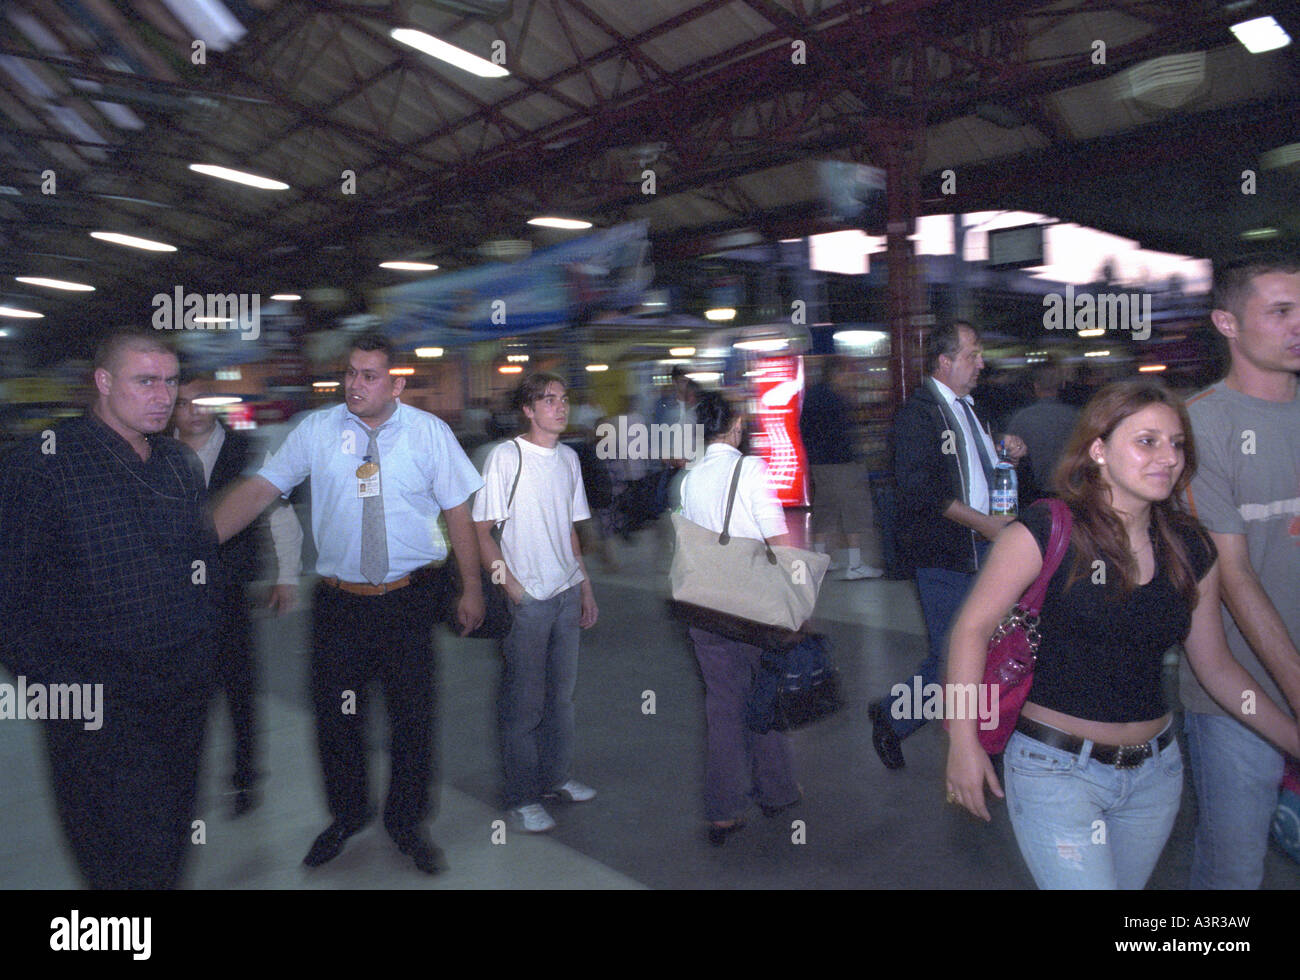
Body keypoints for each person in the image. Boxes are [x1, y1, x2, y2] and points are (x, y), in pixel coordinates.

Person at [944, 379, 1300, 889]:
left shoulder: (1189, 547)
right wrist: (962, 742)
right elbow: (971, 631)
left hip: (1156, 776)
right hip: (1055, 769)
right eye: (1147, 441)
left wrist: (1291, 735)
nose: (1168, 458)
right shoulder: (1046, 530)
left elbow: (1216, 667)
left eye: (1177, 444)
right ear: (1098, 449)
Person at [212, 333, 485, 874]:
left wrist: (472, 586)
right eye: (351, 373)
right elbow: (261, 488)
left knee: (413, 720)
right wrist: (191, 543)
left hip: (410, 600)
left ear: (396, 384)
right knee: (337, 721)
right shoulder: (316, 431)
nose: (354, 384)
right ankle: (346, 815)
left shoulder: (429, 434)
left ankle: (407, 824)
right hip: (340, 607)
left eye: (368, 375)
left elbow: (459, 511)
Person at [0, 331, 217, 888]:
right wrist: (57, 685)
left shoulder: (178, 463)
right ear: (102, 382)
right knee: (114, 848)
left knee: (171, 835)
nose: (162, 395)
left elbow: (199, 567)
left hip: (179, 688)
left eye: (169, 382)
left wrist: (202, 654)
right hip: (94, 695)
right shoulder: (41, 463)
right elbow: (9, 597)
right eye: (145, 381)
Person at [1180, 253, 1300, 888]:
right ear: (1226, 322)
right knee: (1234, 872)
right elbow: (1234, 576)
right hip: (1238, 696)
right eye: (1280, 312)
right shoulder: (1200, 427)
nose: (1298, 325)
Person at [869, 321, 1026, 769]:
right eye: (972, 355)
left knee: (979, 652)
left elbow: (970, 465)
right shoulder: (918, 414)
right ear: (945, 361)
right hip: (945, 556)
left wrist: (1004, 450)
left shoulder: (969, 407)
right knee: (952, 659)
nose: (981, 363)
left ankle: (979, 742)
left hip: (982, 554)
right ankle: (897, 719)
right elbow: (922, 492)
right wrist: (985, 525)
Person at [473, 373, 599, 833]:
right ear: (528, 409)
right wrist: (513, 590)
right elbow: (482, 529)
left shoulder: (568, 458)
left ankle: (557, 777)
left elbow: (569, 530)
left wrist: (584, 586)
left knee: (560, 698)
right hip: (529, 600)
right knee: (524, 704)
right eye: (549, 400)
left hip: (565, 593)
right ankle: (522, 796)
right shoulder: (505, 458)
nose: (560, 407)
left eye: (564, 399)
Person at [173, 374, 303, 816]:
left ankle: (245, 779)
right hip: (173, 597)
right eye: (185, 402)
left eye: (202, 401)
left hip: (227, 593)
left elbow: (280, 513)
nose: (194, 410)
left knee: (240, 692)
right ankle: (181, 783)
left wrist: (286, 574)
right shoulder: (157, 453)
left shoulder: (243, 451)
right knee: (185, 696)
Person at [678, 390, 801, 845]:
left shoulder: (690, 478)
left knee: (723, 707)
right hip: (752, 607)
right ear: (733, 426)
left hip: (704, 606)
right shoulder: (750, 469)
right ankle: (776, 790)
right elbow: (778, 540)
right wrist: (796, 598)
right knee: (765, 696)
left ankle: (724, 810)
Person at [800, 354, 883, 579]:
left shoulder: (812, 395)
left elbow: (804, 429)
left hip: (818, 465)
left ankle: (819, 561)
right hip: (841, 465)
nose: (850, 377)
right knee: (853, 511)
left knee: (824, 511)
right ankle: (854, 565)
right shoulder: (835, 399)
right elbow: (844, 435)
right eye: (847, 373)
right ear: (836, 373)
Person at [1005, 363, 1078, 496]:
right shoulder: (1076, 416)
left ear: (1035, 386)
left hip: (1035, 495)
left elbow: (1008, 459)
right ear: (1062, 385)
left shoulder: (1021, 418)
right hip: (1071, 491)